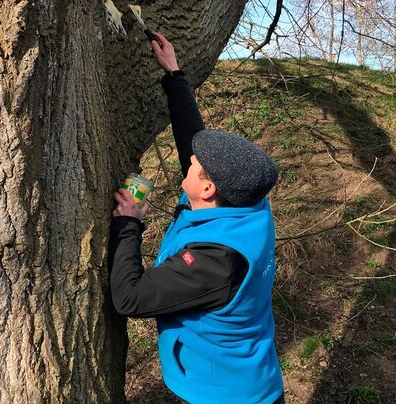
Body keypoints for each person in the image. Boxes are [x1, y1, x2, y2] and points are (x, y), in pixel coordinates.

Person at [108, 31, 285, 404]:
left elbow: (130, 298)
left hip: (228, 395)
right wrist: (174, 75)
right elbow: (194, 140)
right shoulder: (244, 204)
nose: (189, 159)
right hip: (249, 378)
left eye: (194, 164)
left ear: (207, 189)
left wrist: (128, 225)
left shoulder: (215, 260)